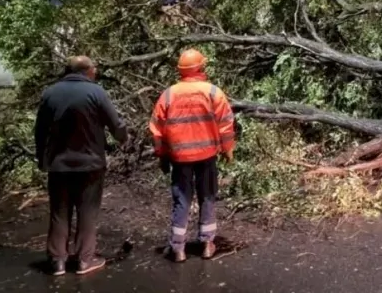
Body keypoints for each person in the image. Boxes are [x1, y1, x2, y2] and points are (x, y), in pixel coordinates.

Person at [34, 55, 129, 276]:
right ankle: (84, 260)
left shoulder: (50, 93)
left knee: (59, 212)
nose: (95, 71)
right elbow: (115, 124)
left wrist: (42, 158)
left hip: (58, 165)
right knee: (87, 212)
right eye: (94, 68)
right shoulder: (96, 93)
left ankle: (57, 261)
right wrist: (123, 138)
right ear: (87, 71)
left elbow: (40, 131)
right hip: (90, 164)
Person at [149, 48, 236, 262]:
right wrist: (228, 150)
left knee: (182, 199)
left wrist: (161, 155)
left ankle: (178, 247)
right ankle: (207, 244)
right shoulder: (213, 92)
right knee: (207, 195)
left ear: (181, 70)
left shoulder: (168, 94)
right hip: (207, 155)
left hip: (179, 157)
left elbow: (157, 129)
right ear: (201, 67)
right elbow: (225, 123)